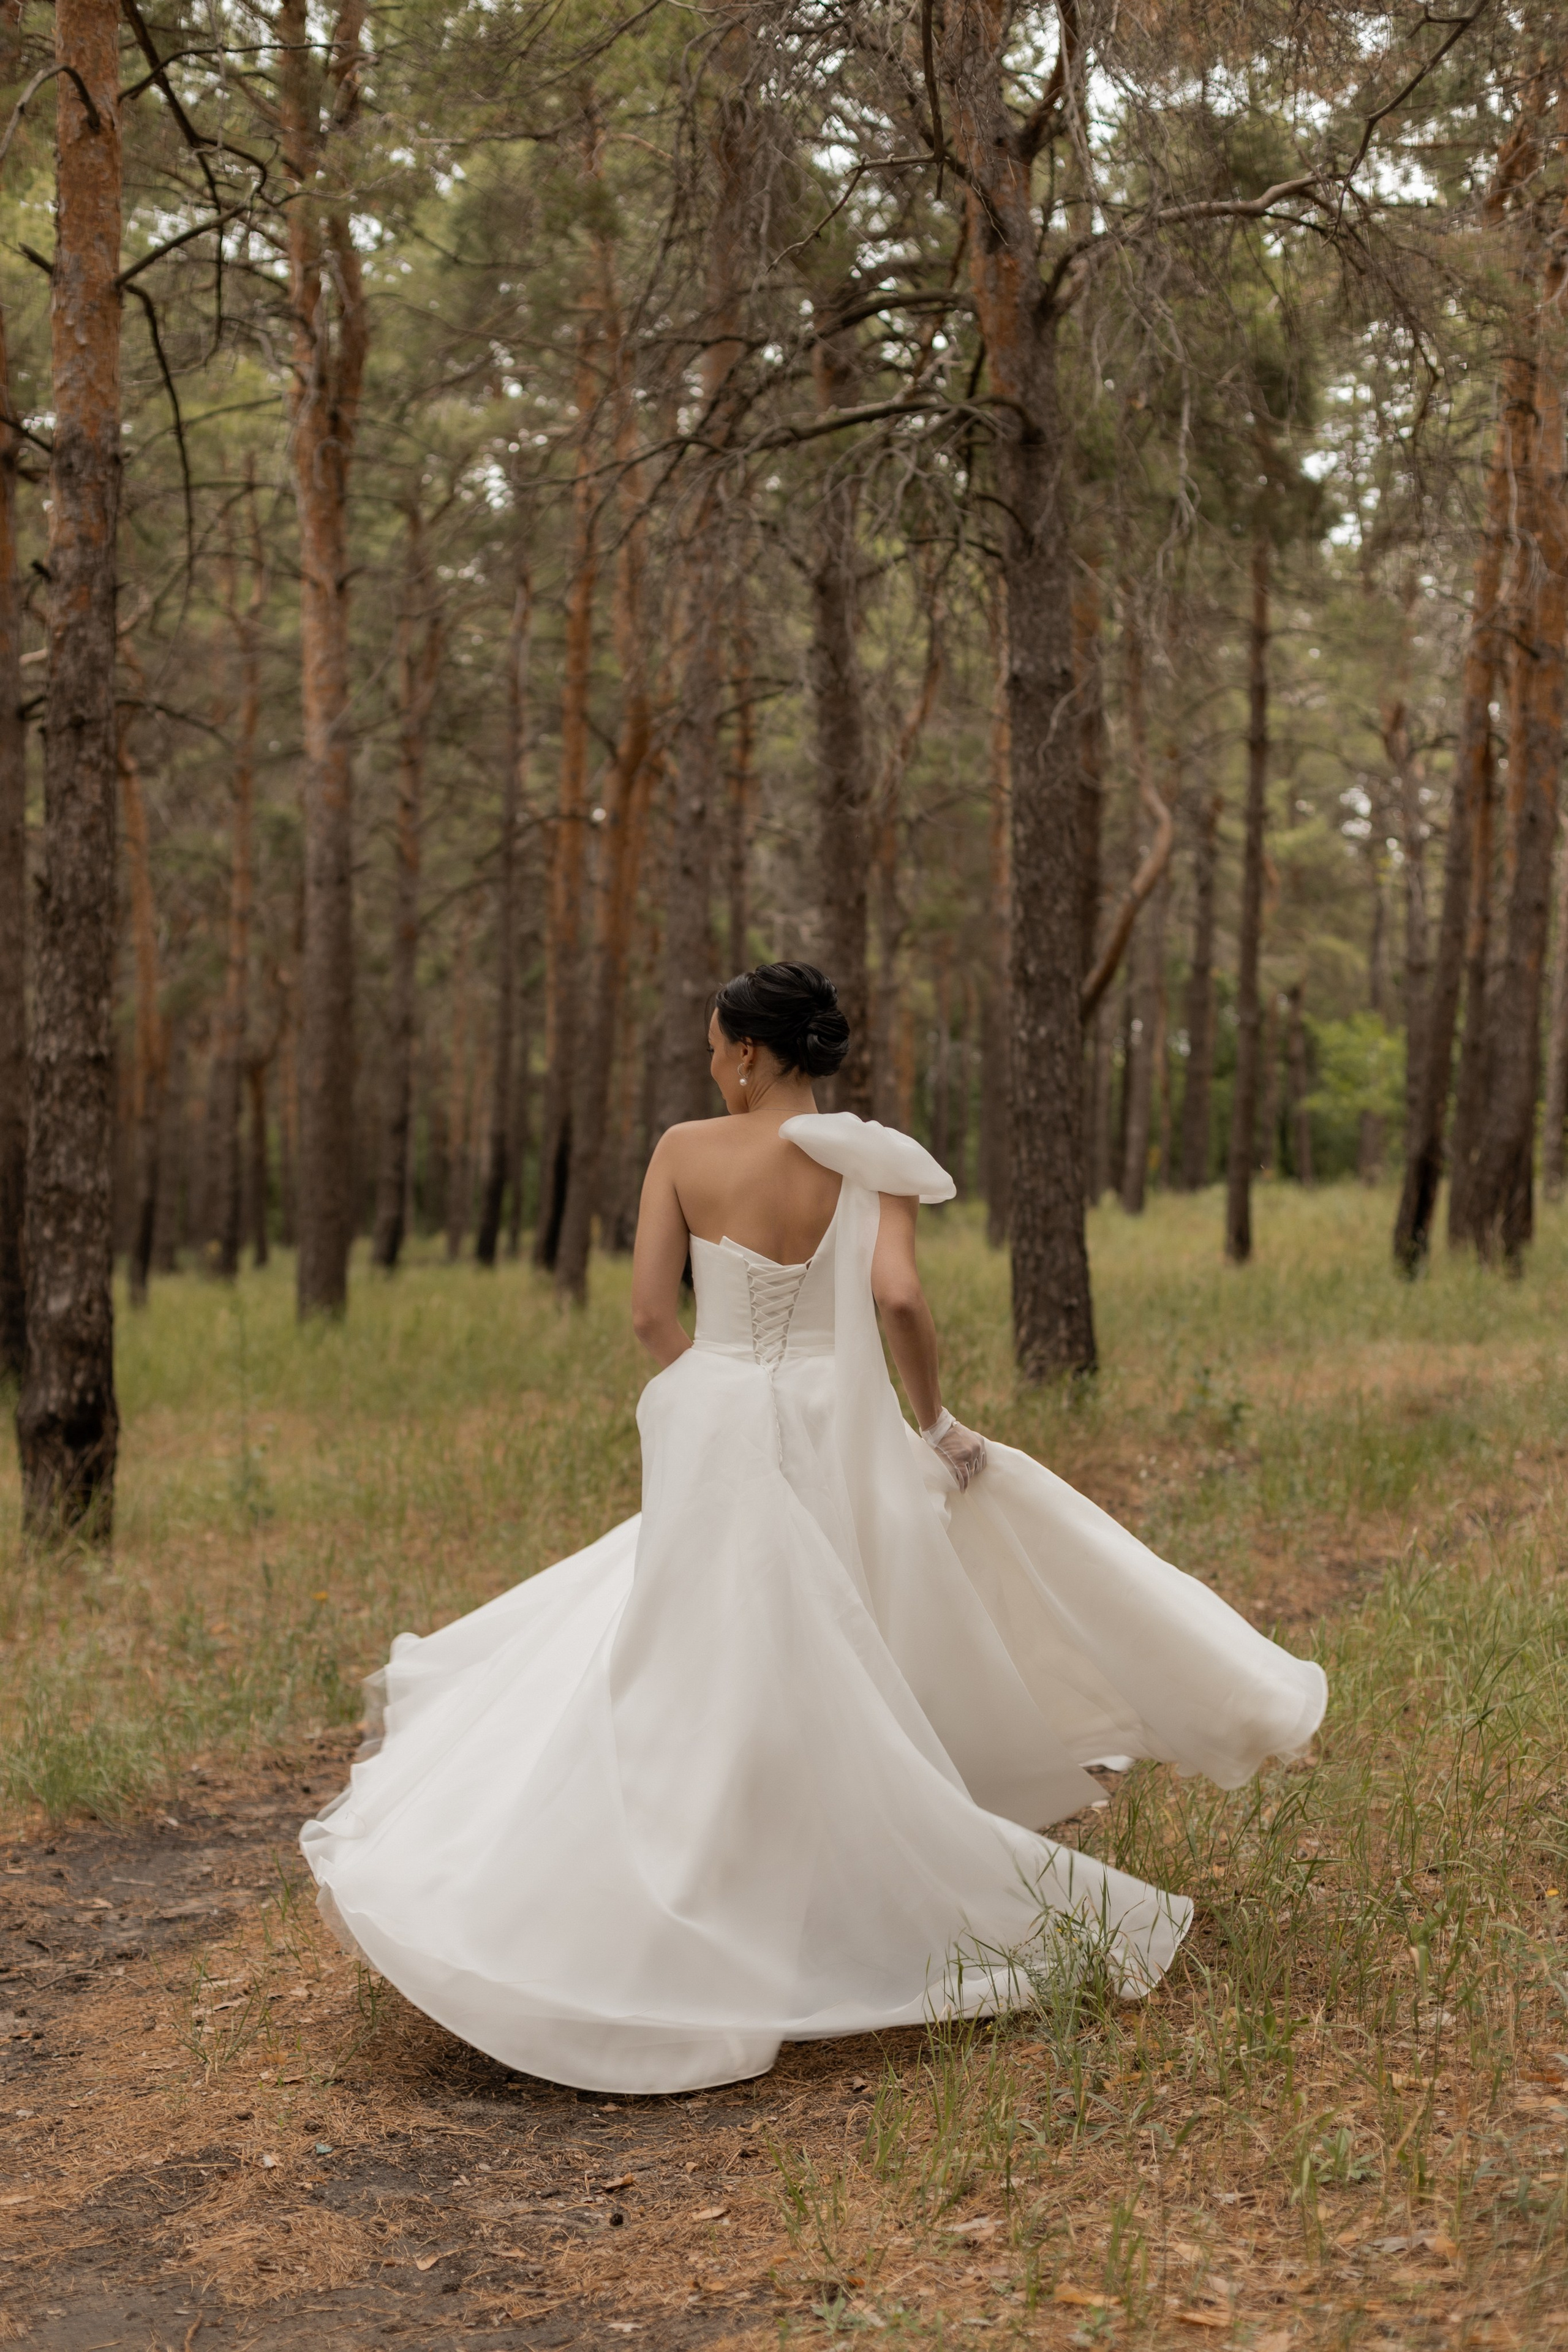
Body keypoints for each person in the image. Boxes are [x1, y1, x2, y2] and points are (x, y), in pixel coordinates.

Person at [302, 962, 1325, 2095]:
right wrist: (932, 1423)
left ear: (747, 1052)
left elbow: (649, 1313)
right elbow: (896, 1299)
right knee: (842, 1647)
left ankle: (680, 1892)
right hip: (841, 1428)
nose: (707, 1064)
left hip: (720, 1422)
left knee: (698, 1659)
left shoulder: (685, 1152)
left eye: (711, 1045)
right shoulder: (870, 1158)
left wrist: (718, 1396)